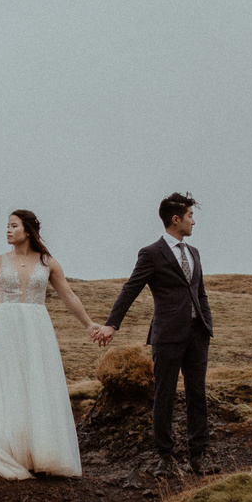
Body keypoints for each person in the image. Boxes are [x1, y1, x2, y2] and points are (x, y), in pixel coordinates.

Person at [0, 209, 102, 479]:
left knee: (37, 383)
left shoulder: (48, 263)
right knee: (9, 384)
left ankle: (41, 451)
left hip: (36, 329)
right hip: (4, 326)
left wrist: (89, 324)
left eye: (13, 226)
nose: (7, 230)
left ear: (27, 231)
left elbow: (68, 296)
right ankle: (12, 451)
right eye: (7, 226)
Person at [96, 192, 213, 476]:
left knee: (198, 395)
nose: (194, 222)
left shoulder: (194, 253)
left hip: (197, 336)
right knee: (164, 395)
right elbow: (131, 288)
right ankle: (165, 457)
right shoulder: (151, 253)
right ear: (176, 219)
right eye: (190, 216)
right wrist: (112, 324)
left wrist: (207, 324)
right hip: (167, 335)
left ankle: (199, 456)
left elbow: (199, 292)